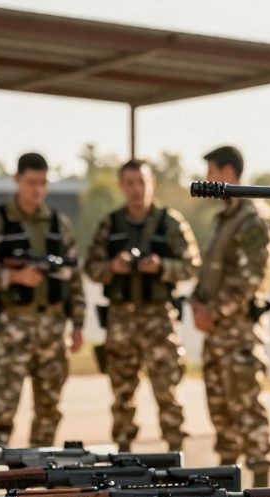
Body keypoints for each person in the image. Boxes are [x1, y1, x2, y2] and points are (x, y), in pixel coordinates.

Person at [84, 159, 199, 452]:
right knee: (122, 397)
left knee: (168, 394)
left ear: (152, 184)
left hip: (158, 319)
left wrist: (161, 267)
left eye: (142, 182)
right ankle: (124, 458)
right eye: (130, 183)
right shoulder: (111, 224)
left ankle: (176, 456)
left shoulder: (169, 222)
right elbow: (91, 268)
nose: (136, 189)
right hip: (121, 320)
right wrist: (112, 267)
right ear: (122, 186)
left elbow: (192, 266)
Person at [0, 153, 85, 447]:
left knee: (48, 411)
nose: (37, 190)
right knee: (2, 409)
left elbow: (74, 278)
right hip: (13, 330)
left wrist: (78, 324)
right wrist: (15, 277)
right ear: (17, 180)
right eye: (31, 182)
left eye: (42, 183)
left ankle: (39, 473)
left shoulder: (60, 224)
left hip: (53, 331)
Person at [191, 146, 270, 487]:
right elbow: (211, 273)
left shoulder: (254, 218)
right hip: (217, 333)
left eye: (212, 171)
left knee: (248, 412)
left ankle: (261, 493)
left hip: (240, 334)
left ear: (228, 172)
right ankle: (226, 490)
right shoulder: (225, 217)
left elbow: (250, 280)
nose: (208, 179)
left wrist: (211, 312)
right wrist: (197, 305)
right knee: (222, 414)